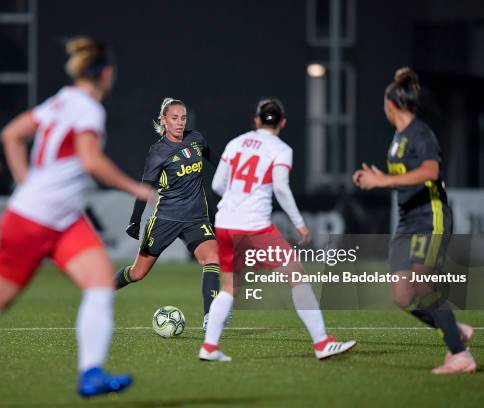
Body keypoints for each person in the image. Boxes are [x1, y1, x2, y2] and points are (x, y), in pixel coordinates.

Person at [0, 36, 155, 397]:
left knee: (100, 284)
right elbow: (90, 159)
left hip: (63, 220)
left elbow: (11, 134)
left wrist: (26, 181)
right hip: (33, 220)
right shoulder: (88, 109)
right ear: (107, 74)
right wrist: (136, 188)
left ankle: (91, 373)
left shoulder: (61, 100)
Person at [199, 98, 356, 362]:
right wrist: (299, 223)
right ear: (282, 122)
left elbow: (216, 184)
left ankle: (210, 347)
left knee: (229, 287)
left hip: (225, 223)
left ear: (256, 120)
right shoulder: (281, 149)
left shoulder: (235, 143)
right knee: (298, 276)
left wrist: (237, 200)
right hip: (254, 227)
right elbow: (281, 188)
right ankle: (322, 343)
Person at [352, 67, 476, 374]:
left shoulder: (421, 133)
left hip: (429, 216)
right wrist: (381, 177)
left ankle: (460, 355)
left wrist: (382, 183)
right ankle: (453, 328)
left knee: (423, 285)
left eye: (384, 104)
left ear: (391, 105)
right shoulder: (398, 138)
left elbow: (431, 171)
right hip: (406, 221)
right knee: (402, 295)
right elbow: (405, 177)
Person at [114, 98, 220, 329]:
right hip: (166, 219)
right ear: (163, 120)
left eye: (183, 118)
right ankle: (102, 289)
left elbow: (219, 163)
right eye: (174, 118)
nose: (180, 123)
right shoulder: (158, 152)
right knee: (137, 273)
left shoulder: (196, 139)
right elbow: (145, 189)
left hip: (196, 218)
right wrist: (134, 221)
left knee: (212, 258)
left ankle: (211, 318)